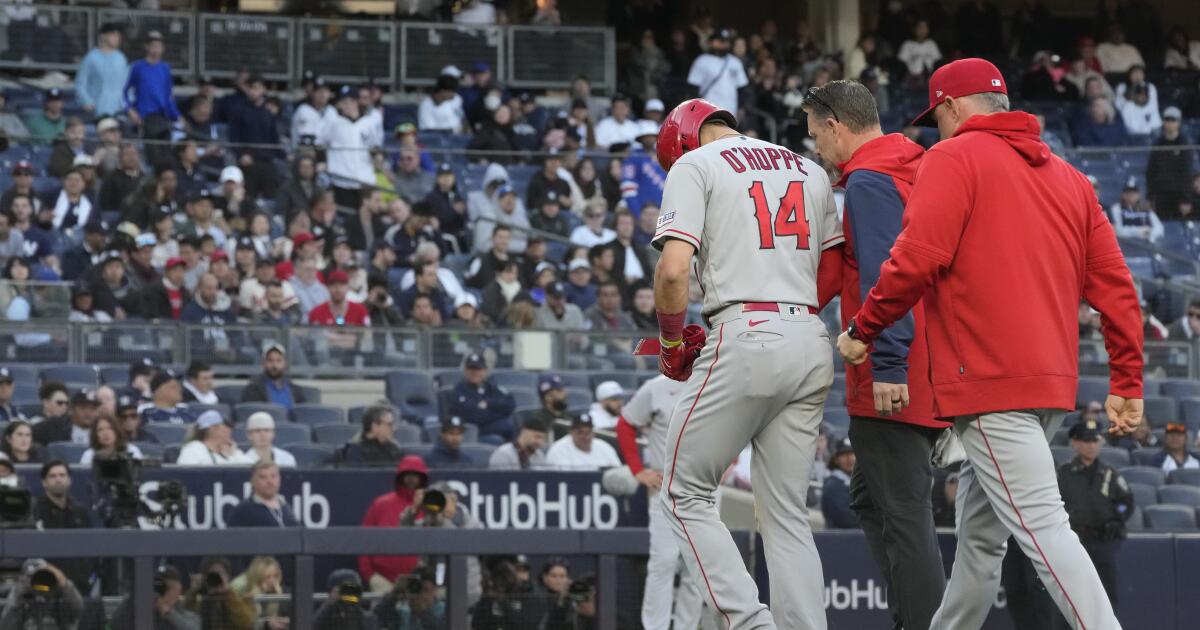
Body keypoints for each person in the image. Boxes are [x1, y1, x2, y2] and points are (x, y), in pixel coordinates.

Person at [837, 58, 1145, 630]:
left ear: (953, 107)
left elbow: (914, 261)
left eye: (938, 117)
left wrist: (865, 327)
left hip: (989, 389)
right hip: (1048, 389)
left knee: (1046, 533)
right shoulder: (1071, 178)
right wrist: (1127, 380)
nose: (937, 129)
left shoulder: (952, 158)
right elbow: (1117, 289)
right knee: (981, 545)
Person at [651, 97, 842, 628]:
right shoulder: (808, 167)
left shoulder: (694, 164)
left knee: (684, 492)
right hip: (809, 334)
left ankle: (749, 622)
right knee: (786, 516)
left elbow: (671, 273)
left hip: (744, 329)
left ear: (681, 141)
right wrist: (790, 316)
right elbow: (833, 269)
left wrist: (670, 345)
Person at [801, 79, 950, 628]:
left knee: (905, 518)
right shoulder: (918, 162)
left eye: (817, 134)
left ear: (836, 126)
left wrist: (887, 362)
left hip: (894, 372)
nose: (816, 146)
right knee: (870, 498)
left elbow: (891, 271)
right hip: (928, 359)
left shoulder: (869, 180)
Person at [614, 374, 703, 629]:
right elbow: (625, 424)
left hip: (706, 487)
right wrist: (637, 469)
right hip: (667, 486)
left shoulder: (717, 377)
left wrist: (728, 462)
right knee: (663, 561)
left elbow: (735, 426)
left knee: (697, 568)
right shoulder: (657, 387)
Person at [1058, 419, 1133, 615]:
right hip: (1074, 543)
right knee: (1071, 596)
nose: (1091, 445)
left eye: (1094, 440)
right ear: (1074, 443)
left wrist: (1117, 519)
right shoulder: (1063, 473)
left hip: (1104, 541)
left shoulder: (1110, 473)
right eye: (1085, 440)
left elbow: (1127, 502)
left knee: (1107, 595)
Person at [359, 455, 429, 592]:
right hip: (384, 579)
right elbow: (364, 539)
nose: (411, 478)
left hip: (421, 583)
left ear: (422, 478)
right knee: (383, 613)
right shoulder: (381, 504)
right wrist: (370, 575)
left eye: (416, 474)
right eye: (407, 474)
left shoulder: (429, 508)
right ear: (400, 476)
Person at [33, 461, 93, 593]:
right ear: (44, 482)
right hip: (44, 582)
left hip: (79, 581)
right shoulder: (35, 511)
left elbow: (89, 546)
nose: (58, 479)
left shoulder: (80, 511)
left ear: (69, 480)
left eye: (62, 475)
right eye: (52, 476)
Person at [123, 31, 179, 168]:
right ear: (146, 47)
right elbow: (124, 92)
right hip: (146, 117)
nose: (156, 49)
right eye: (153, 46)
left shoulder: (165, 68)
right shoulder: (137, 67)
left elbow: (168, 95)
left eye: (159, 46)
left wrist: (176, 116)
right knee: (153, 157)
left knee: (167, 157)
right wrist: (131, 110)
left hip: (163, 118)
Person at [448, 353, 517, 444]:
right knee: (507, 425)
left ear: (484, 371)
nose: (475, 372)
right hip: (471, 432)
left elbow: (510, 403)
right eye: (471, 369)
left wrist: (488, 404)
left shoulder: (489, 386)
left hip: (490, 427)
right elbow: (475, 417)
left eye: (478, 369)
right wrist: (500, 413)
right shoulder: (459, 391)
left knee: (512, 424)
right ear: (465, 371)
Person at [326, 86, 377, 210]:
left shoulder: (369, 122)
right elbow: (320, 143)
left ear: (356, 102)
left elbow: (375, 147)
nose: (346, 105)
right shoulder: (333, 122)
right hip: (341, 179)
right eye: (343, 102)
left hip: (364, 179)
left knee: (365, 215)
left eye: (350, 101)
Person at [110, 564, 201, 630]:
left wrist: (169, 613)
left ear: (179, 590)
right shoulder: (133, 607)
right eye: (160, 586)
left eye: (170, 588)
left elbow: (195, 627)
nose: (165, 592)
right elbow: (116, 623)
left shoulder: (181, 608)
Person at [1146, 106, 1194, 221]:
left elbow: (1187, 173)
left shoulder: (1184, 144)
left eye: (1173, 120)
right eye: (1167, 120)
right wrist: (1150, 197)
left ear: (1179, 122)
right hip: (1161, 195)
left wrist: (1186, 199)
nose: (1170, 123)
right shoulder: (1158, 143)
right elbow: (1151, 171)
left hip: (1179, 195)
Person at [687, 30, 748, 116]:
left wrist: (741, 108)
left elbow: (742, 89)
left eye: (727, 41)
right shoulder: (701, 60)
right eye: (720, 41)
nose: (724, 44)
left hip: (730, 111)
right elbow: (693, 89)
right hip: (706, 112)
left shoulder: (735, 62)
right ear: (711, 42)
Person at [76, 23, 128, 118]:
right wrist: (87, 102)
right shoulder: (91, 58)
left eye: (118, 35)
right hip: (97, 111)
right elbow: (80, 84)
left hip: (118, 112)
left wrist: (128, 104)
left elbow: (126, 83)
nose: (117, 38)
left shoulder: (121, 58)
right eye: (114, 35)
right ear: (103, 36)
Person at [227, 461, 301, 527]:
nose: (269, 481)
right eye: (263, 477)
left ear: (279, 479)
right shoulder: (243, 510)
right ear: (253, 481)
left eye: (273, 476)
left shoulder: (285, 506)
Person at [240, 343, 308, 410]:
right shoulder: (253, 388)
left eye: (279, 361)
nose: (274, 365)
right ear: (264, 363)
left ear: (285, 363)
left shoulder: (295, 390)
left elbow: (303, 413)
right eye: (270, 360)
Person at [546, 412, 621, 471]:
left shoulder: (604, 447)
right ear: (571, 432)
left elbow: (617, 471)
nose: (585, 436)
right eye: (580, 432)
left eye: (588, 432)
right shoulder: (559, 450)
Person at [176, 410, 252, 466]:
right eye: (226, 426)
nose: (229, 430)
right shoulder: (194, 448)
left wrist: (233, 455)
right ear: (213, 428)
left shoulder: (231, 451)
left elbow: (251, 468)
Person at [340, 405, 405, 466]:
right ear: (375, 426)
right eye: (389, 424)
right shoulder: (355, 451)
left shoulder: (394, 448)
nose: (394, 428)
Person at [33, 389, 100, 447]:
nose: (88, 413)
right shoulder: (54, 426)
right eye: (83, 407)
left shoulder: (104, 429)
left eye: (93, 408)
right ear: (71, 409)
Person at [1109, 177, 1163, 242]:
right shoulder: (1116, 208)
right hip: (1127, 245)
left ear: (1138, 194)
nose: (1131, 195)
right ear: (1123, 194)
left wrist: (1150, 233)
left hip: (1147, 243)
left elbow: (1160, 228)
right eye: (1128, 192)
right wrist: (1139, 232)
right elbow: (1118, 231)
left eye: (1134, 192)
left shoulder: (1145, 208)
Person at [79, 415, 143, 466]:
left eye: (110, 428)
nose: (105, 433)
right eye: (100, 430)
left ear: (117, 431)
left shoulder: (131, 450)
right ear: (95, 435)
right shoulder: (89, 455)